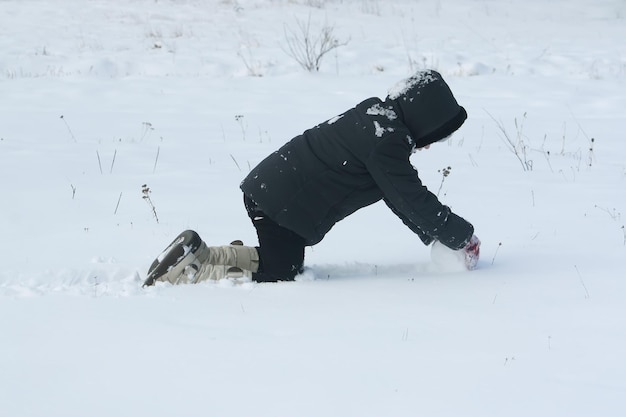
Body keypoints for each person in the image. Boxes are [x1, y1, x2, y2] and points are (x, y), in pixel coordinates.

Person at [143, 69, 480, 286]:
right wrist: (461, 237)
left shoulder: (376, 119)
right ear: (426, 120)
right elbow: (411, 197)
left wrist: (434, 239)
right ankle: (193, 272)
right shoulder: (386, 141)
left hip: (271, 190)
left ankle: (200, 253)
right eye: (439, 135)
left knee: (281, 259)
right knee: (282, 269)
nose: (434, 143)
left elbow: (399, 199)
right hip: (281, 203)